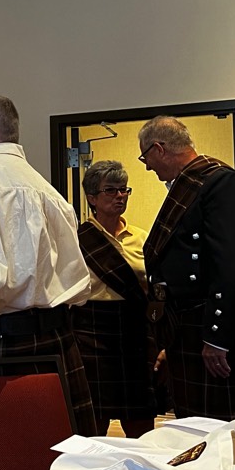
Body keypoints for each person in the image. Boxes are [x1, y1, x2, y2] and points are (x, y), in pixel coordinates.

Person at [0, 94, 97, 437]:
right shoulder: (49, 191)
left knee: (6, 463)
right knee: (58, 452)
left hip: (0, 345)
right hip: (59, 340)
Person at [138, 115, 235, 422]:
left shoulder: (221, 183)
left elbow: (232, 263)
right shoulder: (193, 183)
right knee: (195, 423)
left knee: (227, 424)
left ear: (159, 149)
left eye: (146, 157)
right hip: (187, 324)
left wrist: (216, 337)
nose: (147, 166)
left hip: (211, 324)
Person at [72, 160, 158, 437]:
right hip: (90, 334)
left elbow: (156, 292)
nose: (120, 196)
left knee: (141, 426)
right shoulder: (76, 239)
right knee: (92, 426)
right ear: (92, 198)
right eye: (111, 190)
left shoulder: (143, 239)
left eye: (124, 190)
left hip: (135, 334)